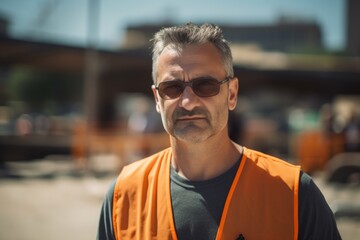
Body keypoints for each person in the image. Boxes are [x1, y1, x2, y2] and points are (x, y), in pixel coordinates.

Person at [97, 23, 341, 240]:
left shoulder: (294, 195)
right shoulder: (123, 197)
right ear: (157, 99)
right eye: (172, 87)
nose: (188, 101)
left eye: (205, 85)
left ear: (232, 94)